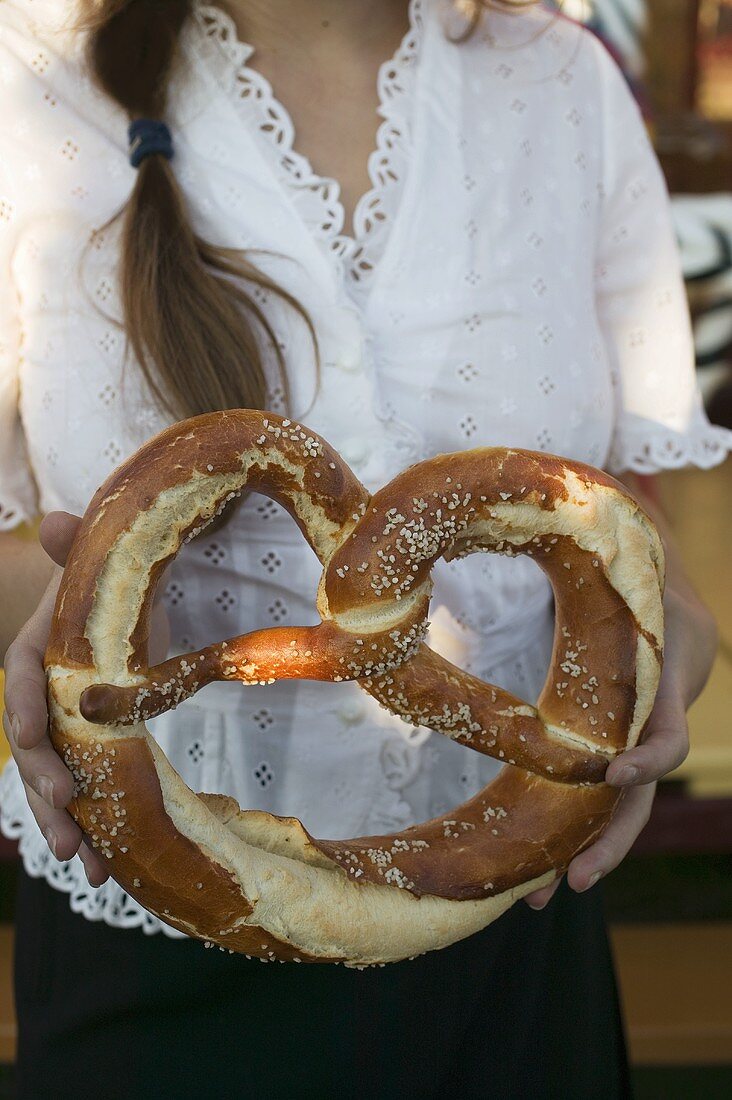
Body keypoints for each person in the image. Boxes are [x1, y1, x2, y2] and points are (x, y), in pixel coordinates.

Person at [0, 1, 727, 1096]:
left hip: (521, 917)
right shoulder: (23, 82)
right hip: (152, 938)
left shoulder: (562, 87)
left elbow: (613, 517)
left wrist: (676, 621)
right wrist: (46, 615)